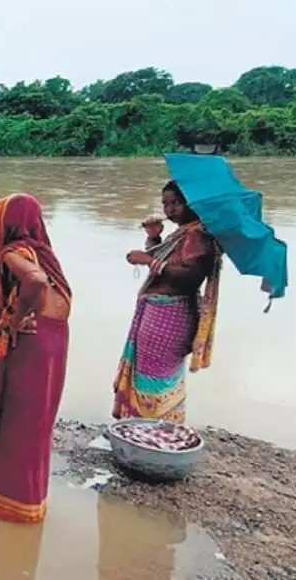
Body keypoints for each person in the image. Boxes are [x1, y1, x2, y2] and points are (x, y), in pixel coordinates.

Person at [0, 193, 72, 524]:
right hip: (53, 344)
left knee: (12, 422)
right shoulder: (42, 252)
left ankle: (8, 505)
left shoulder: (15, 253)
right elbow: (40, 281)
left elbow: (34, 281)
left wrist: (15, 319)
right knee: (37, 423)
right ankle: (32, 500)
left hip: (27, 345)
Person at [113, 180, 223, 423]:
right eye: (165, 204)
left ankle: (154, 427)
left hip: (171, 314)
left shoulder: (199, 235)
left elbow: (190, 275)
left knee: (156, 373)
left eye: (176, 203)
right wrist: (154, 239)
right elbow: (167, 260)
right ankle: (147, 425)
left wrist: (148, 260)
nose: (169, 209)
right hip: (159, 311)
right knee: (150, 370)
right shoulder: (185, 232)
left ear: (191, 203)